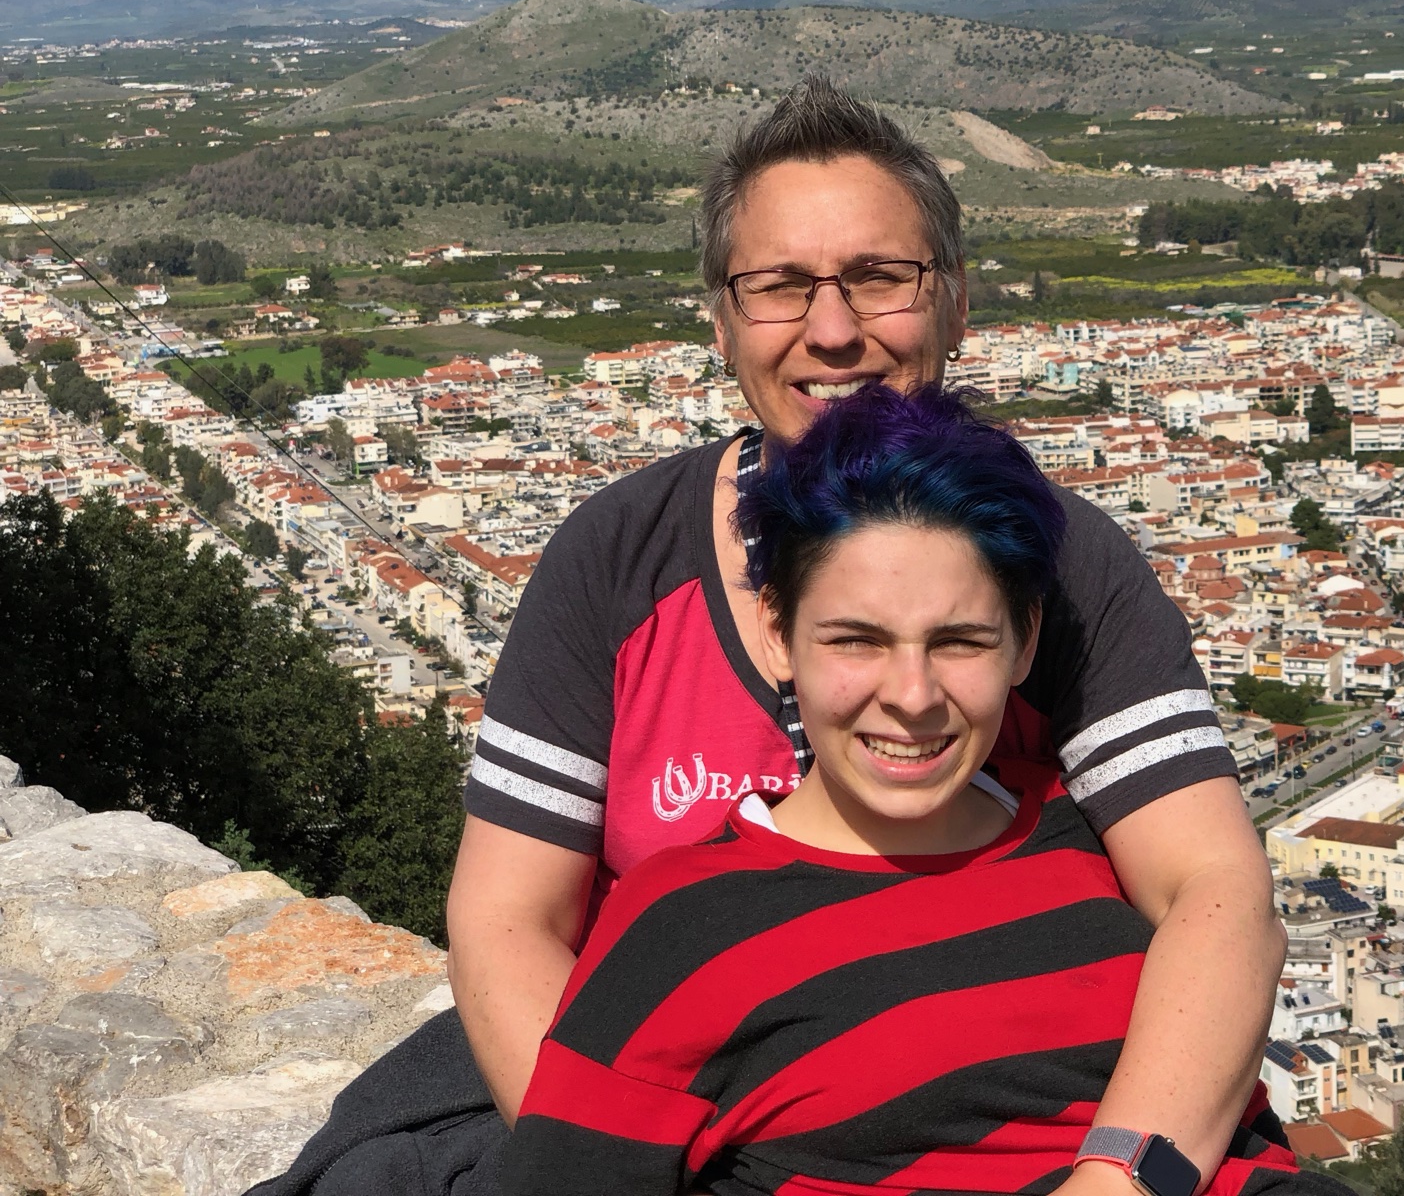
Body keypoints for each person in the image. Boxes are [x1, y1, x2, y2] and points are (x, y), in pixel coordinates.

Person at [255, 79, 1280, 1195]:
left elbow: (1214, 893)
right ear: (721, 319)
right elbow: (507, 917)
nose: (832, 331)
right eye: (780, 286)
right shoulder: (619, 556)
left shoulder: (1056, 560)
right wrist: (634, 1150)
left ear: (952, 303)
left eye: (880, 279)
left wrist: (1119, 1176)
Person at [505, 385, 1323, 1196]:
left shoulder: (1092, 841)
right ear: (778, 632)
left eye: (960, 642)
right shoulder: (676, 931)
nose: (913, 694)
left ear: (1025, 640)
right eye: (857, 640)